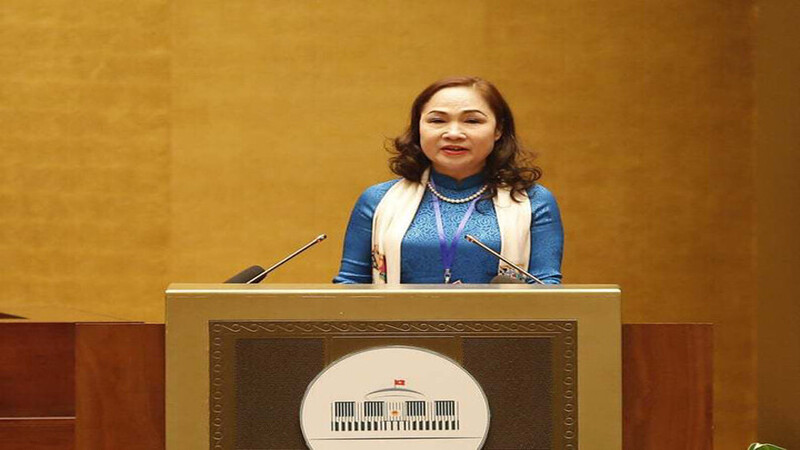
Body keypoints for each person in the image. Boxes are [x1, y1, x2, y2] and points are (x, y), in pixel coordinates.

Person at [333, 76, 563, 284]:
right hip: (399, 320)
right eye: (437, 121)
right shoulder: (378, 200)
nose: (453, 133)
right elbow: (349, 287)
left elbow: (546, 289)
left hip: (499, 320)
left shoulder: (533, 201)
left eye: (472, 121)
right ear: (418, 128)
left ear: (498, 130)